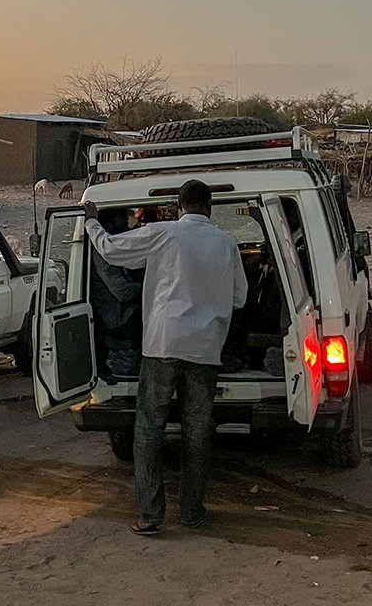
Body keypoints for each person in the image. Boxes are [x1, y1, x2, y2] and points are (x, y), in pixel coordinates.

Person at [84, 180, 248, 535]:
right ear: (211, 207)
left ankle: (150, 515)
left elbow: (111, 250)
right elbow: (239, 298)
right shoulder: (227, 244)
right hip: (205, 350)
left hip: (162, 345)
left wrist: (91, 222)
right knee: (197, 431)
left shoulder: (163, 234)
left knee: (149, 429)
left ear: (178, 204)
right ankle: (192, 511)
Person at [90, 209, 142, 377]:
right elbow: (123, 293)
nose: (128, 221)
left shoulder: (115, 247)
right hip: (118, 318)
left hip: (123, 312)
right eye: (122, 217)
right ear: (111, 223)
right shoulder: (102, 254)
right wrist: (150, 285)